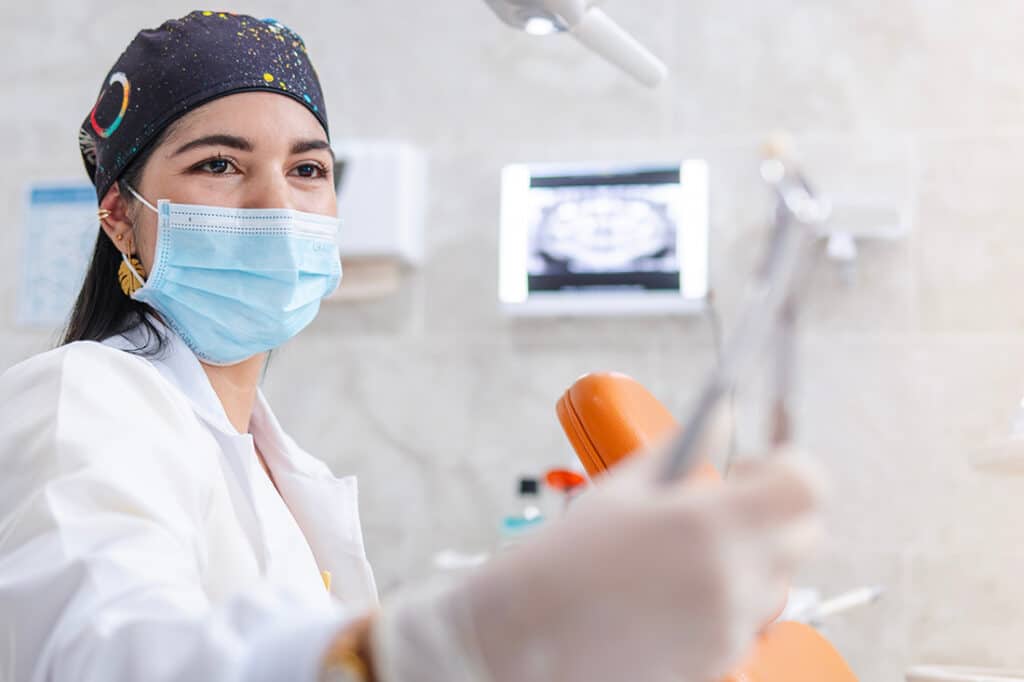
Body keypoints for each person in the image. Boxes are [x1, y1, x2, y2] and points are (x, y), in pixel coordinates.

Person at [0, 11, 825, 682]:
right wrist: (471, 636)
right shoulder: (84, 396)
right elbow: (96, 657)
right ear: (119, 216)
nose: (273, 204)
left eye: (309, 170)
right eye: (220, 164)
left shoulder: (276, 466)